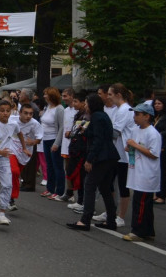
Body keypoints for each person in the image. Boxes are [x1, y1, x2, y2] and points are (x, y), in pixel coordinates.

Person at [67, 93, 119, 232]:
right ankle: (111, 220)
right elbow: (97, 134)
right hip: (110, 156)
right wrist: (84, 131)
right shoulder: (103, 116)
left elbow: (98, 140)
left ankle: (85, 220)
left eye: (87, 104)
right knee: (105, 188)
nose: (86, 106)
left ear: (92, 105)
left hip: (101, 157)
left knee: (89, 185)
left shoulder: (96, 117)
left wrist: (89, 159)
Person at [94, 83, 135, 228]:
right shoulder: (118, 109)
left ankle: (121, 216)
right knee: (109, 183)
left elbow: (116, 131)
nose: (108, 97)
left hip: (123, 154)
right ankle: (110, 211)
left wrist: (99, 132)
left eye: (110, 94)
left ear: (118, 95)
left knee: (122, 185)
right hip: (115, 152)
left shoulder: (124, 109)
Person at [120, 103, 161, 241]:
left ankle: (138, 231)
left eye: (138, 114)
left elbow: (154, 154)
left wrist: (135, 146)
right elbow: (132, 146)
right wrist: (130, 147)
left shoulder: (153, 133)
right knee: (141, 201)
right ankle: (148, 230)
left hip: (146, 173)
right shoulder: (136, 130)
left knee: (141, 203)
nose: (135, 117)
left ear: (147, 116)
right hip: (136, 170)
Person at [10, 104, 43, 211]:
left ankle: (3, 179)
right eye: (26, 113)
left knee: (15, 175)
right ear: (20, 113)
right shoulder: (12, 119)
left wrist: (33, 142)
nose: (28, 116)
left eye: (31, 114)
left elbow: (39, 138)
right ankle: (12, 198)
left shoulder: (35, 124)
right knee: (14, 172)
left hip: (25, 154)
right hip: (12, 150)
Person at [40, 87, 65, 200]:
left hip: (54, 140)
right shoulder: (48, 107)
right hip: (45, 139)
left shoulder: (59, 109)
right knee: (49, 166)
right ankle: (50, 189)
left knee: (57, 166)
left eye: (46, 94)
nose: (44, 96)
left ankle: (59, 191)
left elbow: (61, 127)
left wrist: (57, 143)